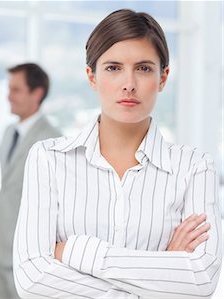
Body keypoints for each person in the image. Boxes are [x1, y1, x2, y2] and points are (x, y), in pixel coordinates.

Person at [13, 9, 222, 298]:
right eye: (113, 67)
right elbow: (32, 278)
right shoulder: (49, 158)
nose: (129, 83)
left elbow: (200, 279)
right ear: (92, 76)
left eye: (144, 68)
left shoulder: (194, 167)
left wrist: (75, 251)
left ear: (163, 78)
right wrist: (164, 269)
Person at [0, 63, 61, 299]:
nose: (8, 96)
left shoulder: (53, 140)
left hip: (27, 258)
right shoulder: (8, 133)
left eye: (15, 90)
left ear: (36, 94)